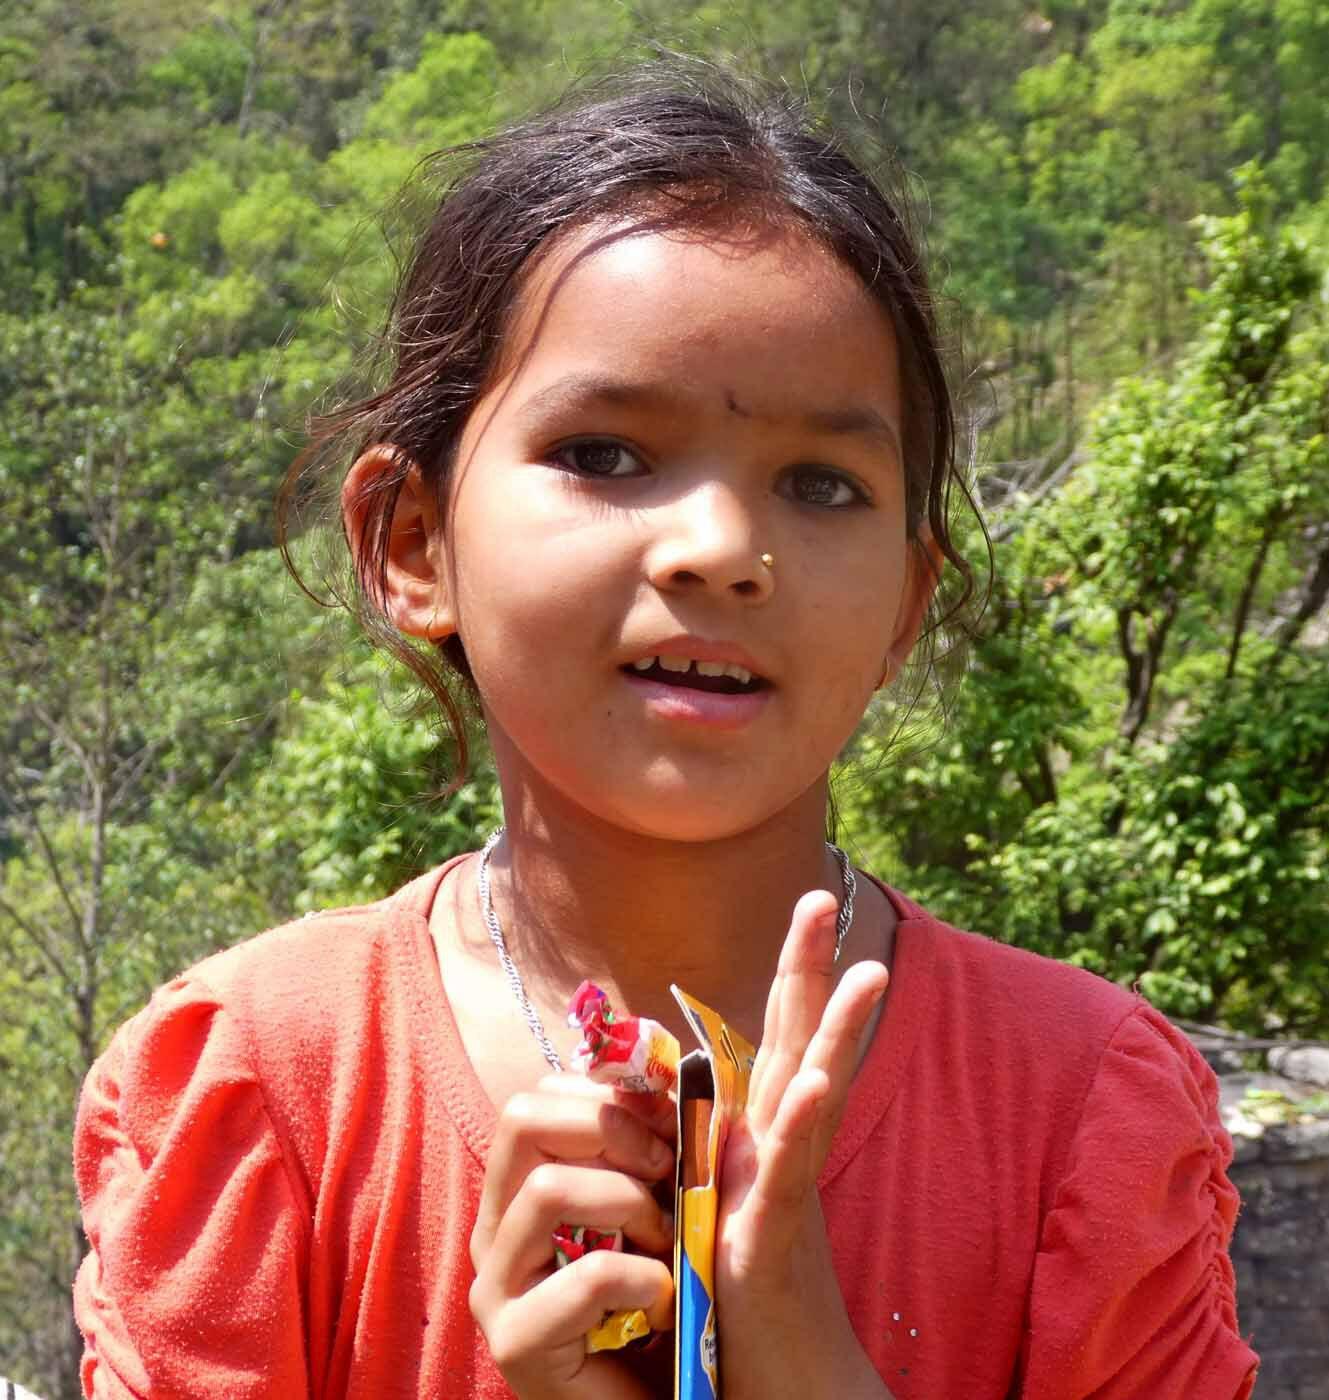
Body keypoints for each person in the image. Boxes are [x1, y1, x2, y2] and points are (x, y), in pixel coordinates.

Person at [71, 64, 1259, 1400]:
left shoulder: (1076, 1111)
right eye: (606, 454)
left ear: (903, 607)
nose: (722, 548)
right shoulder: (265, 1094)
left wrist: (807, 1357)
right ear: (412, 543)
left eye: (821, 483)